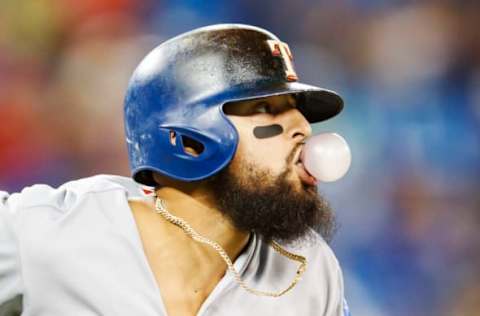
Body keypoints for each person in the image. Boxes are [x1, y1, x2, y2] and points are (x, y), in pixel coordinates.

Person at [0, 24, 351, 316]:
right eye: (266, 107)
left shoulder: (310, 271)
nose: (304, 127)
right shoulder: (52, 230)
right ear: (189, 141)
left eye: (296, 109)